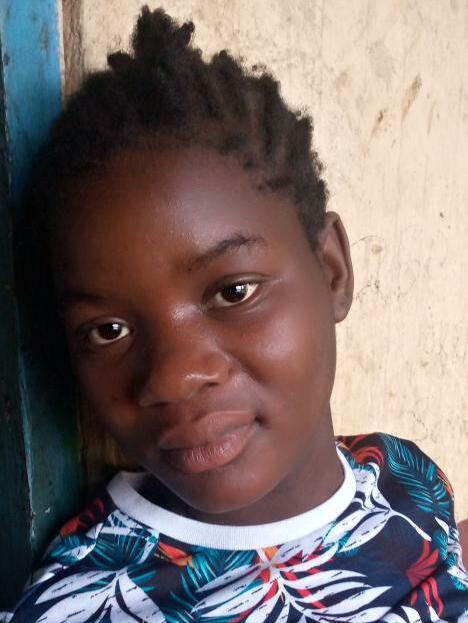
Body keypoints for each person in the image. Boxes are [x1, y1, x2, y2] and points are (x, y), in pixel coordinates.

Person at [4, 6, 467, 622]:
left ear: (331, 270)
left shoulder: (403, 474)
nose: (173, 377)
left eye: (234, 292)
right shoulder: (87, 606)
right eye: (108, 330)